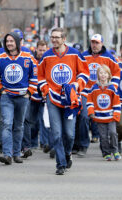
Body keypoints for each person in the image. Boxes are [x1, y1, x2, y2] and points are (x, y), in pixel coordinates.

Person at [38, 28, 90, 175]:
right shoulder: (47, 56)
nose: (54, 40)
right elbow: (40, 75)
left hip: (70, 100)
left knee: (69, 134)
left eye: (57, 37)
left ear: (64, 38)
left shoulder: (74, 53)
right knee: (56, 133)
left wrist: (77, 84)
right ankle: (60, 164)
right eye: (52, 37)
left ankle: (67, 153)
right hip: (53, 98)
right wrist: (46, 90)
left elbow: (85, 72)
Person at [0, 32, 36, 165]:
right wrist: (1, 90)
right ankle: (7, 154)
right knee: (6, 124)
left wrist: (30, 92)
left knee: (19, 126)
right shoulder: (0, 57)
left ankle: (17, 153)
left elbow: (34, 77)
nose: (9, 43)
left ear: (17, 42)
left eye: (11, 41)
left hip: (23, 97)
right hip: (7, 97)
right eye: (7, 41)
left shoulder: (28, 57)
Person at [77, 34, 120, 156]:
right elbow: (78, 71)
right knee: (85, 117)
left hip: (103, 93)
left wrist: (113, 87)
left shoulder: (109, 57)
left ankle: (110, 148)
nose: (94, 45)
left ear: (102, 43)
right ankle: (83, 146)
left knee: (106, 122)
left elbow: (117, 73)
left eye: (97, 43)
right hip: (87, 92)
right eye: (93, 42)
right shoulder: (84, 56)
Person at [87, 64, 121, 161]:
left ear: (109, 75)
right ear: (98, 75)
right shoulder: (94, 88)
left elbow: (116, 102)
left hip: (110, 116)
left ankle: (115, 150)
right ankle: (106, 153)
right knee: (103, 136)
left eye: (105, 73)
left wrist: (116, 114)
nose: (103, 75)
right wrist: (91, 112)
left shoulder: (112, 88)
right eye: (101, 73)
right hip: (99, 117)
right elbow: (90, 101)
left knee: (113, 133)